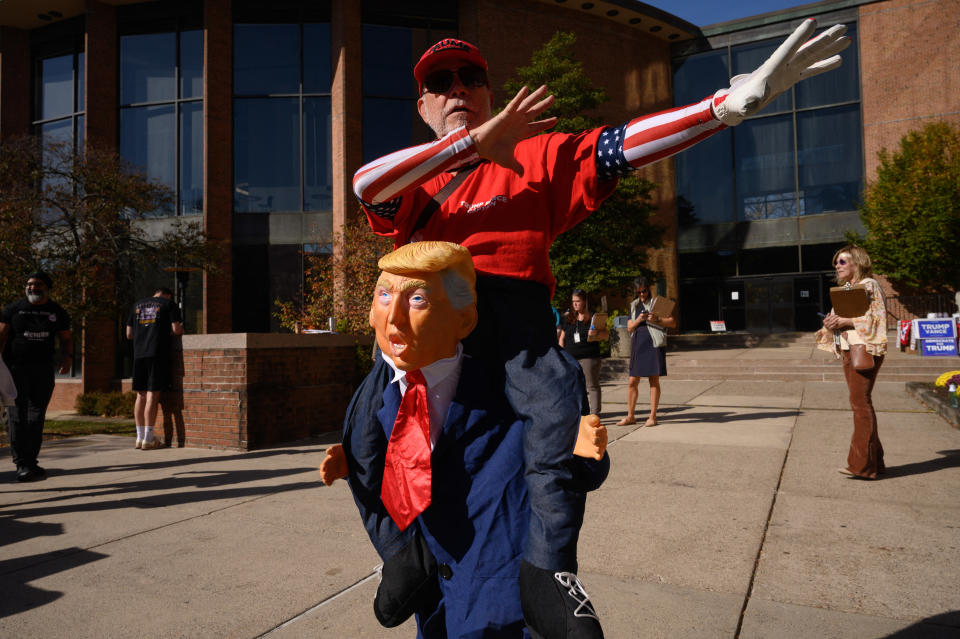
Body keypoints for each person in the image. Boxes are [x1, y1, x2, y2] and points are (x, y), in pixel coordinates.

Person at [349, 23, 849, 635]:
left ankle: (548, 573)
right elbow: (365, 184)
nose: (458, 89)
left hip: (512, 347)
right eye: (439, 82)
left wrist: (722, 107)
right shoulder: (414, 179)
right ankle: (402, 559)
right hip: (427, 364)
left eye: (471, 77)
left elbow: (622, 146)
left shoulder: (535, 154)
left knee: (537, 474)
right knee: (366, 450)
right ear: (423, 105)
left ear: (488, 87)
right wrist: (473, 145)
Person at [328, 241, 608, 637]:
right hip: (434, 604)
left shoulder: (513, 392)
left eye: (418, 299)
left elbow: (559, 458)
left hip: (499, 603)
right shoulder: (382, 397)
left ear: (464, 319)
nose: (394, 319)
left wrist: (583, 453)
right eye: (385, 295)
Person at [815, 245, 887, 479]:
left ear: (858, 262)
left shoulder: (869, 285)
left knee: (860, 404)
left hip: (863, 349)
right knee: (861, 402)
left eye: (843, 261)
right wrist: (832, 322)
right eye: (836, 262)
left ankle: (862, 466)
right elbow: (844, 318)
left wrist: (845, 321)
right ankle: (876, 463)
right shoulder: (847, 288)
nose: (837, 265)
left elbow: (875, 319)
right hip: (849, 348)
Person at [0, 272, 73, 482]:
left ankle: (31, 461)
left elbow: (66, 339)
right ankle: (21, 463)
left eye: (38, 284)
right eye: (29, 284)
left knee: (36, 416)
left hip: (43, 370)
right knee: (17, 416)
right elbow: (1, 336)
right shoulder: (13, 310)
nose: (32, 287)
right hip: (15, 369)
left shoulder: (57, 312)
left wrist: (67, 358)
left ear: (47, 288)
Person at [126, 287, 184, 450]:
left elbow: (129, 334)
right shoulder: (169, 304)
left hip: (139, 354)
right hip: (157, 352)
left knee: (141, 394)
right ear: (168, 295)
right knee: (153, 393)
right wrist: (179, 330)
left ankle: (139, 438)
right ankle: (149, 438)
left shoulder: (137, 305)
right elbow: (176, 329)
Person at [619, 277, 675, 427]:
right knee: (632, 381)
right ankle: (630, 416)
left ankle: (652, 416)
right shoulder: (634, 305)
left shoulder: (658, 303)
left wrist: (657, 319)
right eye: (639, 292)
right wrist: (638, 320)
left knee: (653, 379)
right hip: (638, 344)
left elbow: (672, 322)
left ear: (648, 289)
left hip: (654, 344)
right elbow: (630, 327)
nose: (642, 294)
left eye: (644, 291)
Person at [559, 289, 606, 416]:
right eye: (573, 301)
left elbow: (606, 335)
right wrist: (562, 356)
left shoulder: (593, 316)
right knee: (575, 387)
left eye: (578, 301)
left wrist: (595, 333)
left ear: (584, 301)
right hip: (570, 358)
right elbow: (562, 338)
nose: (575, 304)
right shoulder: (568, 317)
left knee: (591, 386)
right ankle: (580, 413)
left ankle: (595, 414)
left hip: (589, 357)